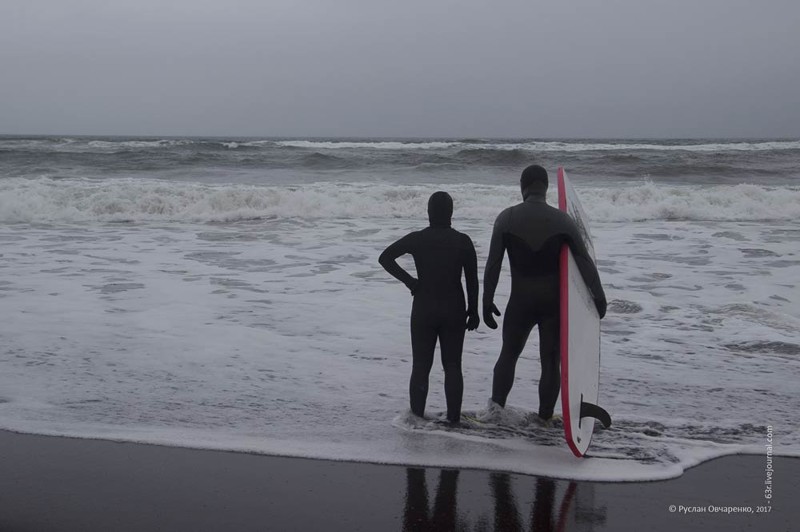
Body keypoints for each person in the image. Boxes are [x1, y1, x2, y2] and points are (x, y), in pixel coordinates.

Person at [483, 165, 607, 422]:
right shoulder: (563, 220)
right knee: (551, 362)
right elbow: (585, 262)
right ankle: (545, 418)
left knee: (509, 354)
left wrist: (486, 300)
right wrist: (599, 298)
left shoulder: (506, 218)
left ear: (523, 187)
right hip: (553, 305)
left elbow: (493, 263)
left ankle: (495, 411)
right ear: (546, 187)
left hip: (521, 302)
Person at [379, 191, 480, 425]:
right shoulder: (463, 241)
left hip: (424, 305)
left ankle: (415, 420)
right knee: (453, 365)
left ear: (428, 213)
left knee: (421, 365)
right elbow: (472, 280)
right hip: (454, 307)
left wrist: (411, 282)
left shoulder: (417, 239)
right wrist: (473, 310)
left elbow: (385, 258)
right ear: (451, 213)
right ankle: (454, 420)